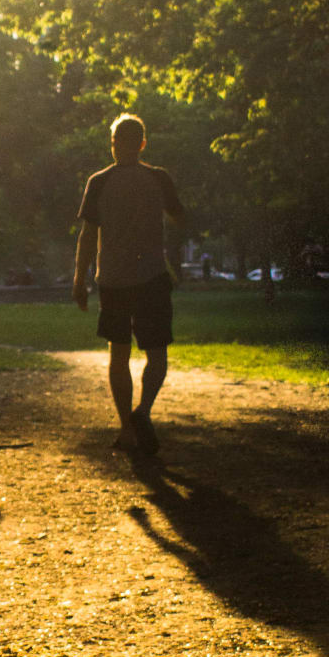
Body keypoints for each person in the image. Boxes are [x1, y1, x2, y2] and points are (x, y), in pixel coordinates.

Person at [74, 113, 185, 455]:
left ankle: (126, 428)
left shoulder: (99, 181)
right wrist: (167, 251)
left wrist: (80, 277)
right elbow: (180, 217)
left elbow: (88, 235)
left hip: (114, 279)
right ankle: (143, 412)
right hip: (151, 276)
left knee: (118, 354)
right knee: (157, 353)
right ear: (142, 143)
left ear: (113, 144)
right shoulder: (159, 178)